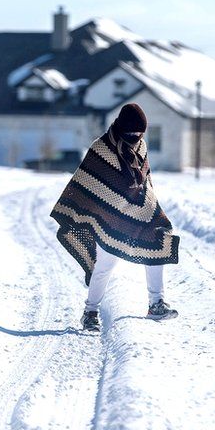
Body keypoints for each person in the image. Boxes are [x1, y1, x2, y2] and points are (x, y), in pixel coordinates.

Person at [50, 103, 180, 332]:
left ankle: (156, 304)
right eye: (132, 133)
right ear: (122, 128)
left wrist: (148, 204)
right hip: (108, 218)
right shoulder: (101, 148)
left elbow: (145, 181)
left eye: (140, 133)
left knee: (158, 244)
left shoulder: (141, 146)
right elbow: (88, 182)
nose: (136, 137)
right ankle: (90, 312)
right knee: (104, 266)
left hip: (140, 213)